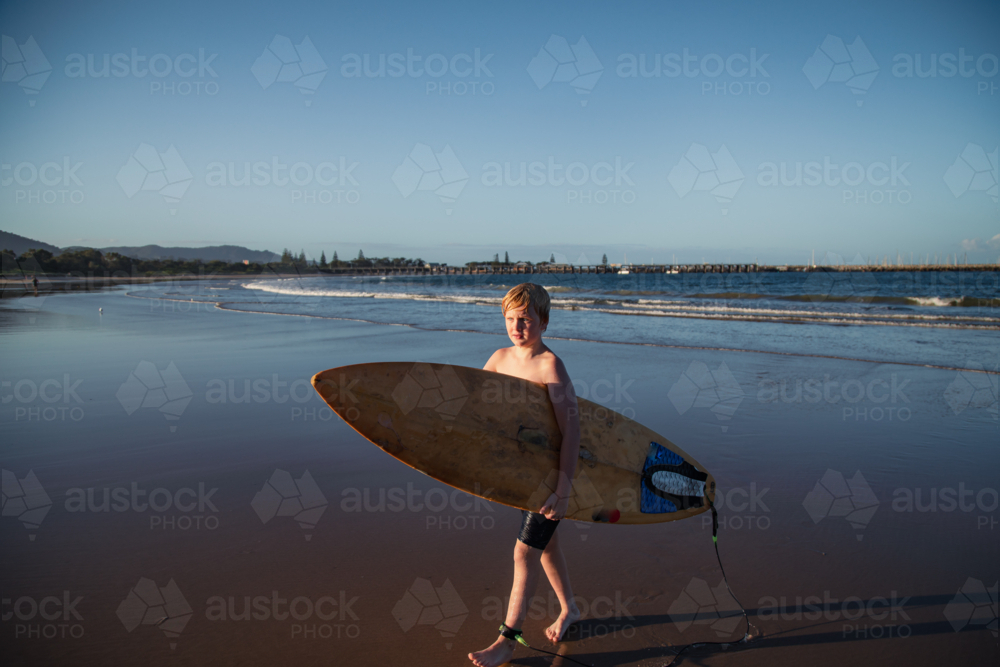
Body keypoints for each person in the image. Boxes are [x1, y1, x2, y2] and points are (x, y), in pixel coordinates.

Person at [469, 283, 581, 667]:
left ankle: (507, 641)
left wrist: (564, 487)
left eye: (526, 319)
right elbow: (478, 417)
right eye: (511, 319)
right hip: (520, 475)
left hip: (550, 478)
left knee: (523, 552)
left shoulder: (550, 366)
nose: (517, 327)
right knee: (545, 547)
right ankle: (570, 610)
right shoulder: (498, 359)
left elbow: (573, 432)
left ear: (544, 322)